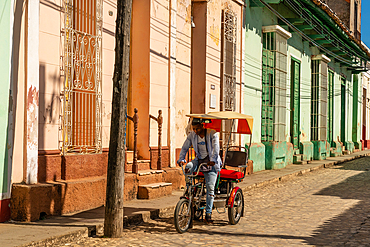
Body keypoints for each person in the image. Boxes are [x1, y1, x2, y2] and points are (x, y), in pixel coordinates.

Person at [177, 118, 222, 223]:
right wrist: (181, 159)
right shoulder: (192, 135)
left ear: (202, 126)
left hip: (211, 163)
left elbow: (216, 148)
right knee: (188, 166)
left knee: (210, 189)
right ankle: (188, 189)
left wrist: (213, 160)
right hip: (199, 160)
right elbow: (184, 147)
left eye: (197, 129)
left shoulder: (212, 134)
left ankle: (208, 213)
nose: (196, 131)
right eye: (194, 129)